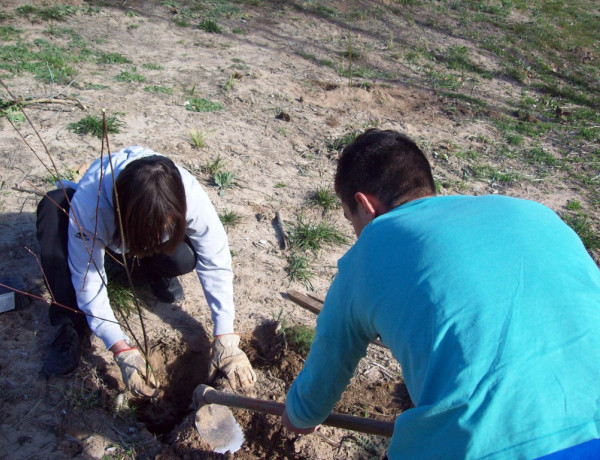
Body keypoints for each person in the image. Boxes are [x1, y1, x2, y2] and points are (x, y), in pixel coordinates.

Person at [282, 128, 600, 458]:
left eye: (351, 220)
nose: (356, 233)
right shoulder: (538, 214)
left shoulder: (371, 249)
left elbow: (321, 380)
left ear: (364, 205)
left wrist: (298, 415)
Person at [36, 146, 256, 397]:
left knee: (184, 258)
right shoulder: (90, 206)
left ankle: (152, 272)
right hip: (107, 239)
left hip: (131, 243)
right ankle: (71, 323)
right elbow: (88, 280)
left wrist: (225, 335)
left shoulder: (189, 193)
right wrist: (119, 347)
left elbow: (215, 259)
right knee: (52, 209)